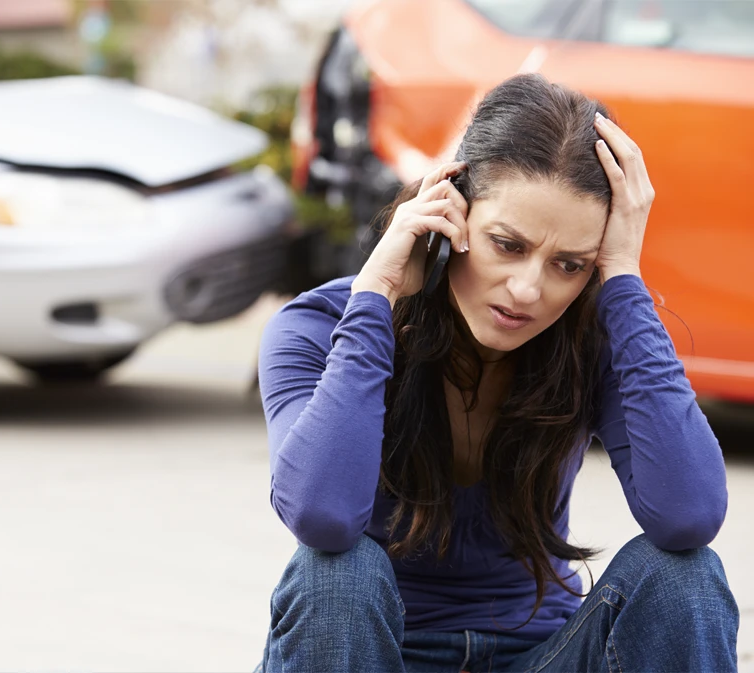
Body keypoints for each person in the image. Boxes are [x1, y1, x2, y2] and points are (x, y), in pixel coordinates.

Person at [254, 73, 739, 672]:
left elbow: (689, 516)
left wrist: (622, 277)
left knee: (684, 575)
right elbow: (322, 517)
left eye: (568, 263)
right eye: (507, 245)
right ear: (450, 210)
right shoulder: (316, 328)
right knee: (334, 574)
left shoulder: (595, 336)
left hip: (542, 655)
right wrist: (377, 295)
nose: (528, 289)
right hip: (379, 655)